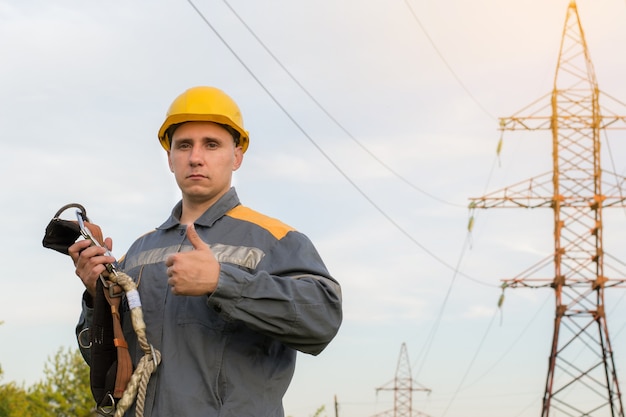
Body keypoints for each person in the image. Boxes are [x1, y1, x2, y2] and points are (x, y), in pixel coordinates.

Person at [69, 86, 343, 417]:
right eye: (184, 145)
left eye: (211, 144)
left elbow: (322, 319)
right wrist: (97, 298)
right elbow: (105, 360)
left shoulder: (276, 239)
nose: (196, 157)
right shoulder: (139, 251)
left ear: (237, 155)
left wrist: (222, 282)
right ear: (170, 158)